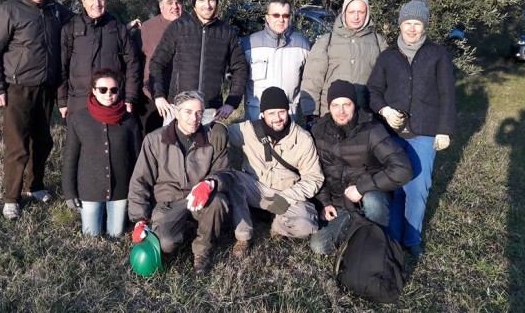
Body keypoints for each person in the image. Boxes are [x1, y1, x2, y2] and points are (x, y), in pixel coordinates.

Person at [367, 0, 456, 256]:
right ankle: (393, 238)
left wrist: (445, 129)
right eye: (408, 23)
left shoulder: (437, 54)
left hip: (424, 131)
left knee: (418, 185)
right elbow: (373, 90)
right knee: (394, 185)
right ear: (400, 25)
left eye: (417, 23)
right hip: (391, 132)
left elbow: (447, 94)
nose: (412, 28)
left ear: (425, 25)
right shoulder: (388, 56)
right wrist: (384, 110)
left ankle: (411, 237)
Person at [0, 0, 72, 220]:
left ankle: (36, 186)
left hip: (47, 89)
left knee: (43, 142)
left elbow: (84, 23)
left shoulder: (56, 11)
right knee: (17, 147)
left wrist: (121, 27)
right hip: (17, 89)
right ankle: (11, 198)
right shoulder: (8, 10)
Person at [213, 87, 324, 257]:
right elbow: (224, 133)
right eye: (271, 113)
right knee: (232, 179)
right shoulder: (248, 129)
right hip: (254, 187)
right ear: (263, 114)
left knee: (306, 226)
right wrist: (220, 126)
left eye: (282, 112)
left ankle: (278, 225)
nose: (278, 118)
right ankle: (243, 236)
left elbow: (314, 178)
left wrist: (287, 197)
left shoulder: (303, 139)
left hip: (286, 192)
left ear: (288, 111)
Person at [128, 91, 231, 273]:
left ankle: (202, 250)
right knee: (165, 244)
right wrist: (139, 219)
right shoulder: (155, 139)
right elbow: (140, 180)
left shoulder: (212, 138)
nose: (194, 118)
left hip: (200, 198)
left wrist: (210, 183)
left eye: (199, 112)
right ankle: (181, 229)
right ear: (176, 111)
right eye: (188, 112)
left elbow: (226, 172)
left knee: (218, 202)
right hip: (169, 201)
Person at [309, 80, 412, 254]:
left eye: (346, 104)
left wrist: (361, 188)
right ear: (329, 107)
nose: (341, 111)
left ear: (354, 105)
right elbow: (314, 171)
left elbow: (403, 169)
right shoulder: (319, 131)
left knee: (373, 203)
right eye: (335, 105)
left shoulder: (372, 129)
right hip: (339, 202)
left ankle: (376, 241)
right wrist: (325, 203)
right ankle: (355, 230)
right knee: (319, 247)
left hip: (370, 194)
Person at [148, 0, 248, 124]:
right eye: (201, 0)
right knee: (172, 147)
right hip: (177, 109)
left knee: (208, 148)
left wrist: (231, 102)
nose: (207, 5)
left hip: (210, 111)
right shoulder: (178, 27)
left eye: (211, 0)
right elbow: (157, 63)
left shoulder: (227, 32)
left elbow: (240, 68)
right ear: (194, 3)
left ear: (217, 2)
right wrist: (158, 96)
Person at [62, 68, 142, 237]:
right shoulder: (79, 118)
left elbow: (137, 160)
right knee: (91, 235)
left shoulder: (129, 120)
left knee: (116, 234)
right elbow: (70, 158)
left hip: (121, 190)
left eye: (113, 90)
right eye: (102, 90)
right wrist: (70, 192)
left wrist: (137, 192)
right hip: (89, 189)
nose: (108, 94)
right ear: (94, 91)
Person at [300, 0, 388, 124]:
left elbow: (387, 82)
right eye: (352, 12)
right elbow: (312, 80)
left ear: (367, 13)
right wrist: (310, 114)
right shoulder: (327, 41)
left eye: (361, 12)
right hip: (330, 117)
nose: (356, 17)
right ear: (344, 13)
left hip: (366, 117)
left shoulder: (378, 42)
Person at [59, 0, 140, 118]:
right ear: (83, 1)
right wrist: (62, 101)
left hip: (112, 100)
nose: (97, 3)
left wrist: (129, 98)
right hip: (79, 101)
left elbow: (132, 65)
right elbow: (61, 67)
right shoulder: (70, 28)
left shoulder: (118, 29)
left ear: (106, 1)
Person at [241, 0, 311, 121]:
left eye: (285, 15)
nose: (281, 19)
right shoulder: (249, 44)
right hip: (256, 118)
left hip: (289, 118)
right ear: (267, 17)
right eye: (276, 15)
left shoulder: (303, 45)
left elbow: (310, 82)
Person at [134, 0, 185, 134]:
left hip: (183, 99)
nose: (174, 7)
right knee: (152, 143)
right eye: (170, 3)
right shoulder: (146, 29)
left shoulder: (191, 26)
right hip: (151, 98)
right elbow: (133, 62)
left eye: (178, 2)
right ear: (161, 5)